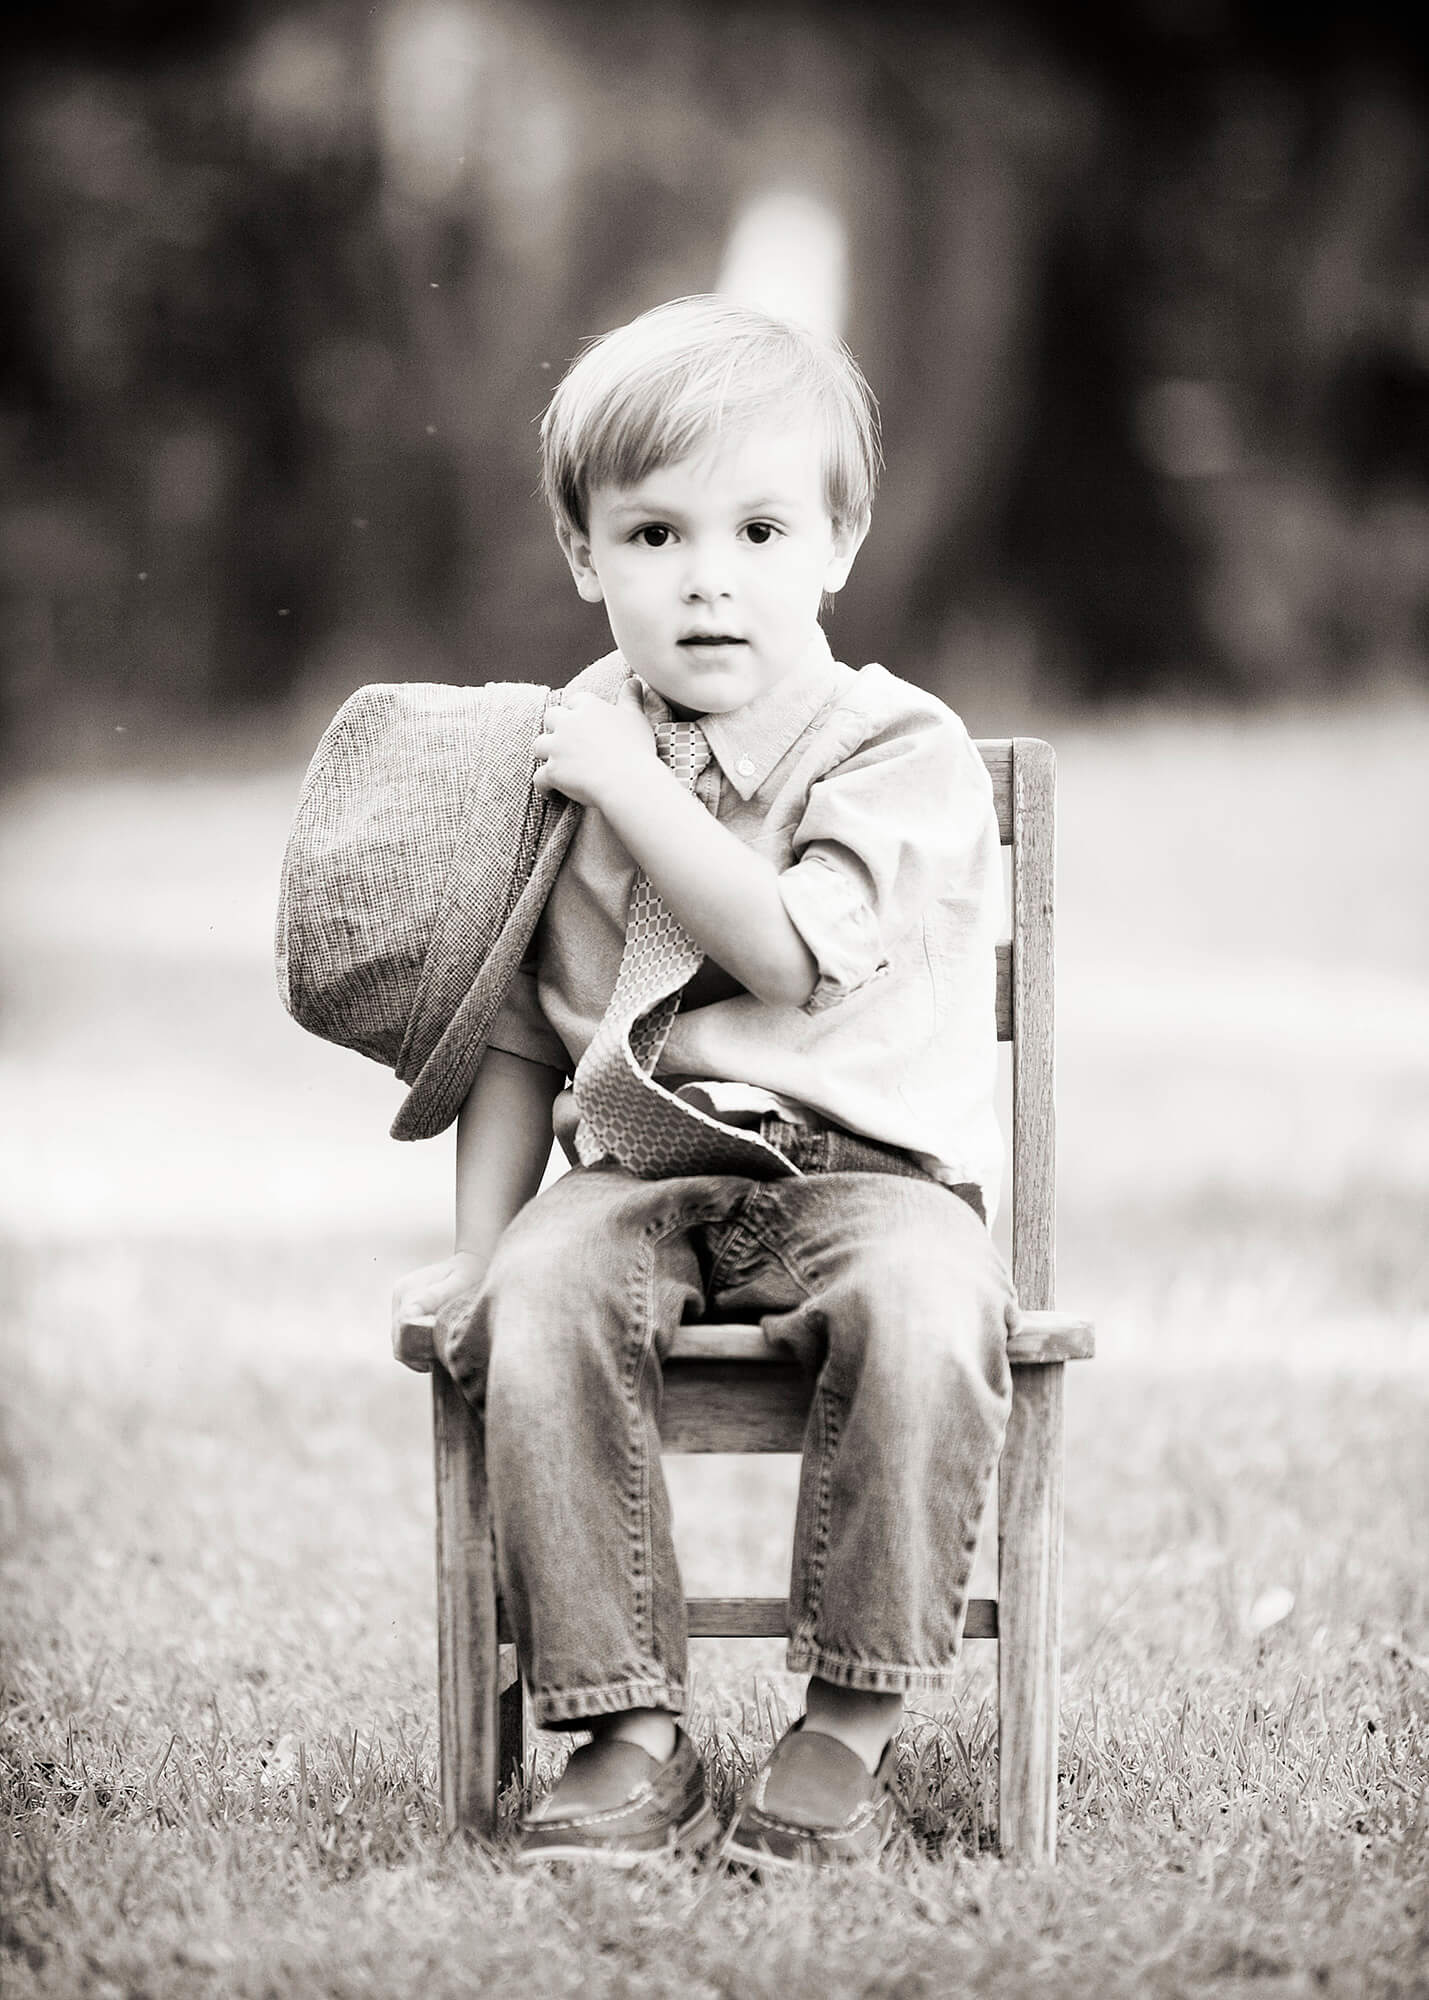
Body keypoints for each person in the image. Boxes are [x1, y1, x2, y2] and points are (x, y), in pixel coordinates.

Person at [391, 295, 1017, 1869]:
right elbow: (518, 1032)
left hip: (865, 1178)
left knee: (932, 1314)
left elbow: (786, 956)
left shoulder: (897, 745)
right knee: (539, 1297)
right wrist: (477, 1253)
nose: (706, 577)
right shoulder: (558, 756)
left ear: (839, 542)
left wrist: (625, 787)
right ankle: (626, 1735)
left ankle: (843, 1730)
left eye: (758, 529)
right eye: (654, 534)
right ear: (583, 554)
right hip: (636, 1171)